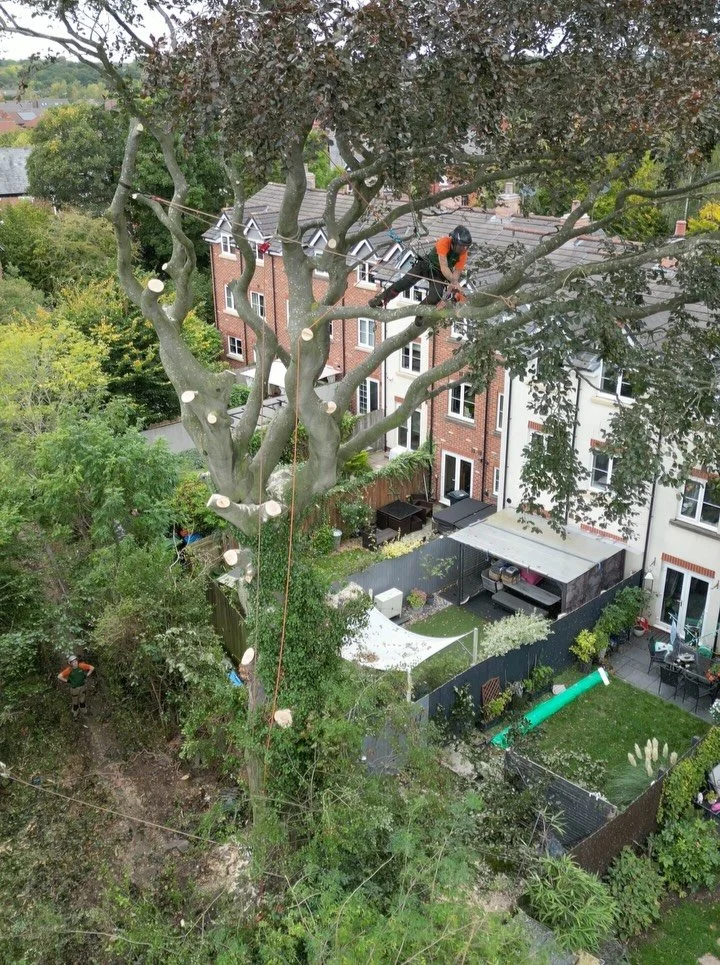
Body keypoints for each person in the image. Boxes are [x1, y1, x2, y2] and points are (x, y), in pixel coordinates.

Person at [368, 225, 472, 320]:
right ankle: (381, 299)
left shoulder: (463, 254)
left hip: (438, 275)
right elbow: (444, 267)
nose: (463, 249)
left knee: (435, 297)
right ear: (453, 241)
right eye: (461, 246)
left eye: (466, 247)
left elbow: (455, 277)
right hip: (426, 265)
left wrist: (444, 299)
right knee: (404, 282)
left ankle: (420, 313)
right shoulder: (444, 242)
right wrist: (455, 283)